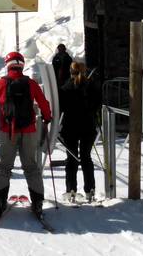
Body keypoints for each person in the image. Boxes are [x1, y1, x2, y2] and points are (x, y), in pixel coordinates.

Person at [0, 51, 52, 220]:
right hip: (29, 130)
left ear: (7, 65)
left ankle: (0, 201)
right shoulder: (31, 83)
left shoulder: (1, 83)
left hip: (8, 131)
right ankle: (37, 202)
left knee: (5, 166)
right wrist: (47, 118)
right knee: (31, 166)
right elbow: (43, 103)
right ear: (22, 65)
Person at [60, 59, 102, 203]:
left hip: (70, 127)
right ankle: (90, 190)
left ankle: (71, 189)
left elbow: (61, 107)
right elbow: (97, 105)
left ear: (70, 71)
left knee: (71, 159)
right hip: (88, 126)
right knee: (86, 158)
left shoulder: (66, 87)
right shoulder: (92, 86)